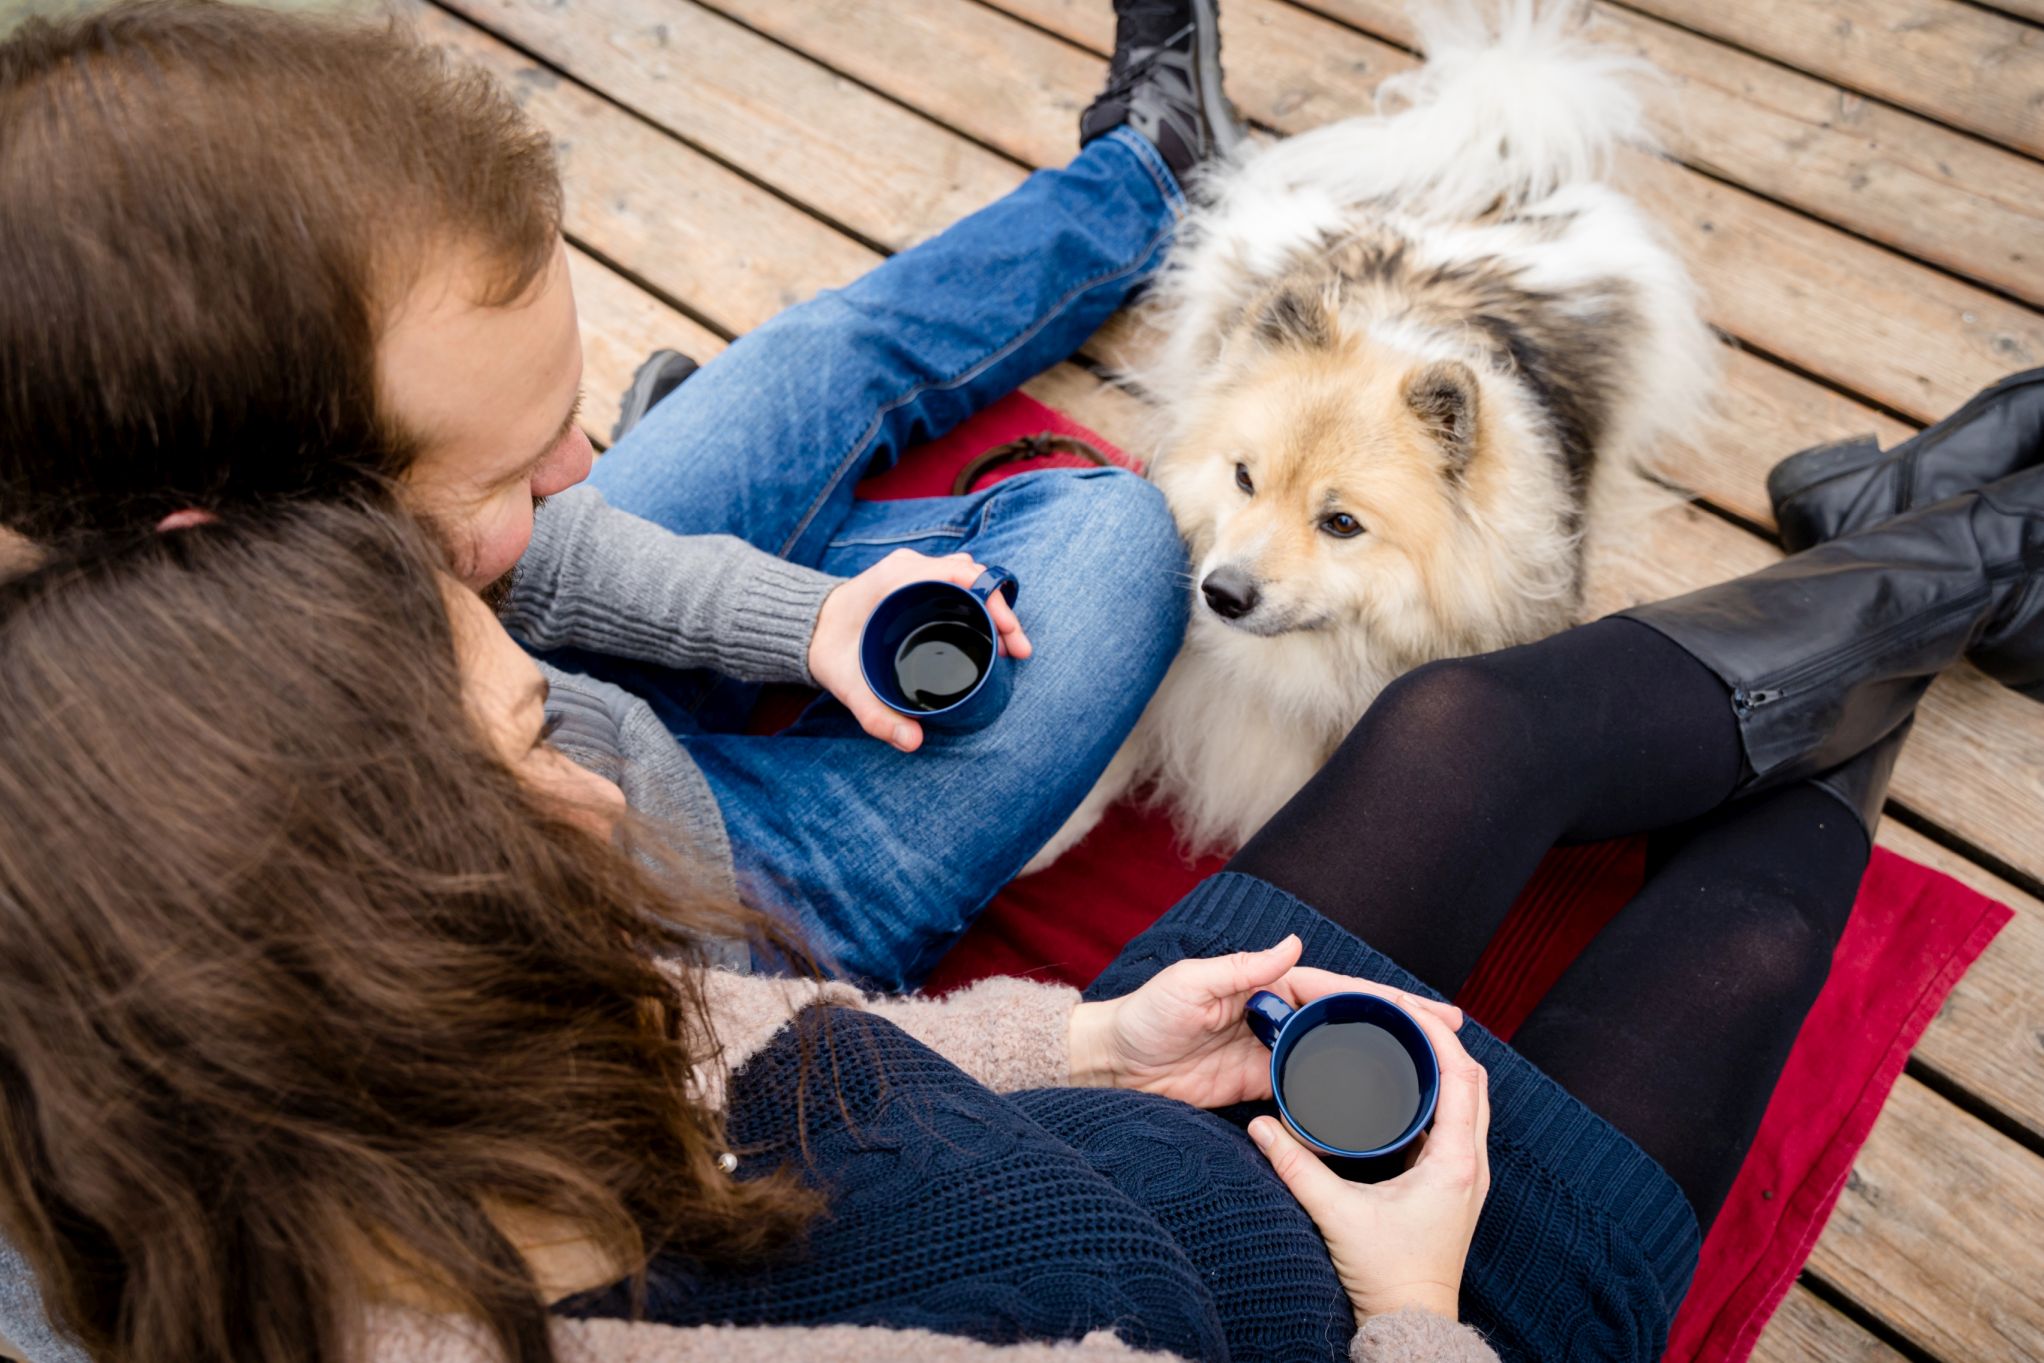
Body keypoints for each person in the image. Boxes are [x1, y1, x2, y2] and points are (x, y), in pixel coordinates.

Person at [3, 406, 2038, 1362]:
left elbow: (752, 1041)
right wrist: (1414, 1292)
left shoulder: (386, 1099)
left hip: (1101, 1119)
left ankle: (1945, 525)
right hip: (1340, 1315)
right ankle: (1961, 530)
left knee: (1463, 735)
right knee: (1747, 917)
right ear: (365, 930)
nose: (605, 770)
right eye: (540, 743)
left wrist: (1083, 1032)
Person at [0, 0, 1247, 987]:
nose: (578, 467)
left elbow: (554, 549)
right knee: (1112, 534)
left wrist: (799, 622)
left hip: (558, 684)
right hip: (725, 901)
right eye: (513, 459)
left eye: (558, 425)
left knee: (818, 359)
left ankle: (1151, 172)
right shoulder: (143, 913)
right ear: (243, 558)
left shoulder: (171, 489)